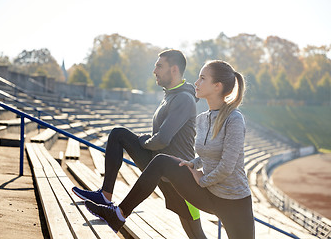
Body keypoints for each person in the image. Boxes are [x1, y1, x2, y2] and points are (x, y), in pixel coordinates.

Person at [85, 60, 255, 239]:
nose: (196, 83)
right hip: (209, 194)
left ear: (217, 86)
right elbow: (206, 154)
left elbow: (227, 166)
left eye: (202, 78)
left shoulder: (234, 119)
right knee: (162, 162)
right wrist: (193, 163)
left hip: (234, 202)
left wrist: (202, 179)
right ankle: (118, 215)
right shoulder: (203, 118)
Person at [72, 49, 207, 238]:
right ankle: (106, 195)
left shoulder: (184, 99)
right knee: (118, 134)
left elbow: (162, 139)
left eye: (159, 66)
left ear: (174, 70)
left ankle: (117, 214)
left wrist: (144, 141)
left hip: (180, 176)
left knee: (195, 234)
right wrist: (145, 141)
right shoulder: (171, 95)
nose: (155, 71)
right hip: (158, 166)